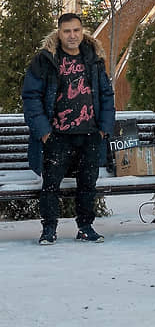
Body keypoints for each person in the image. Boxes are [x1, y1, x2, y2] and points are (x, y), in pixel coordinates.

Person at [21, 13, 115, 245]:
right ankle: (49, 229)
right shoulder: (45, 60)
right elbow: (31, 96)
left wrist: (103, 129)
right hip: (57, 135)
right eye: (67, 31)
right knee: (51, 185)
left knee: (87, 185)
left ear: (82, 31)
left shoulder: (94, 58)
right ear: (59, 33)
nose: (72, 36)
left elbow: (106, 94)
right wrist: (44, 132)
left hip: (89, 133)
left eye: (76, 30)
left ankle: (85, 227)